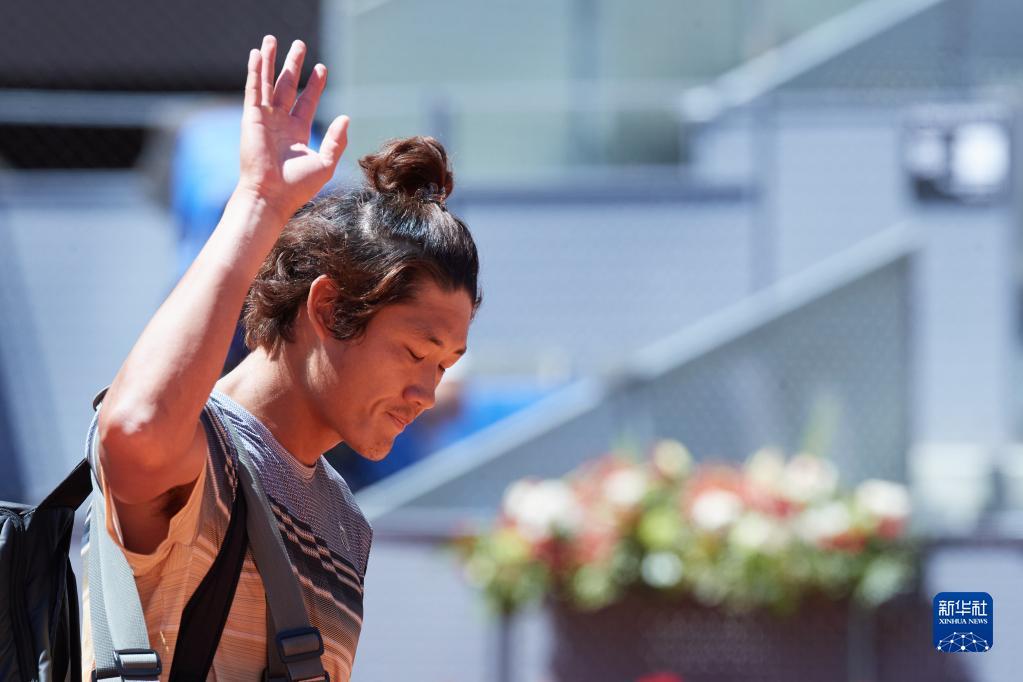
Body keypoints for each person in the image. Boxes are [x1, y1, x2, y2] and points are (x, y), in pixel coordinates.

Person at [82, 34, 481, 681]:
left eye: (443, 364)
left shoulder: (345, 523)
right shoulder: (205, 450)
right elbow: (134, 427)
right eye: (415, 352)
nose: (426, 393)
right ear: (327, 308)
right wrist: (259, 203)